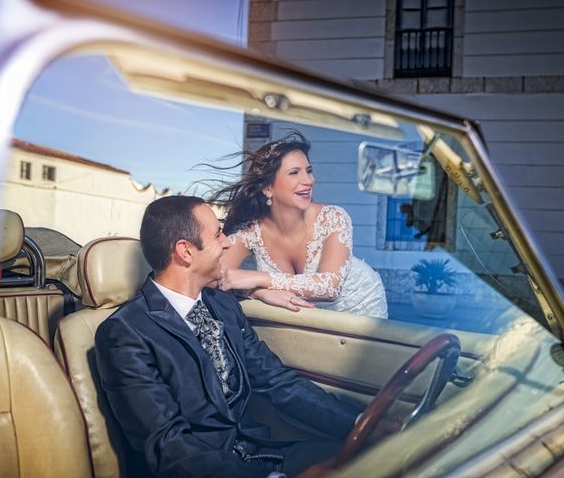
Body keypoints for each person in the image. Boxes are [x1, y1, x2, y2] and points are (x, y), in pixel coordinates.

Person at [94, 195, 364, 478]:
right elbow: (169, 446)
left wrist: (359, 424)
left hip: (261, 450)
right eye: (218, 234)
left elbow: (277, 381)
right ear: (185, 251)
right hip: (202, 470)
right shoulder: (125, 333)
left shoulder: (222, 305)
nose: (227, 242)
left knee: (371, 459)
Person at [209, 131, 388, 318]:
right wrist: (258, 292)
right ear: (268, 188)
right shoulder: (251, 232)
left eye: (309, 171)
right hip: (308, 318)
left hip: (361, 306)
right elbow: (214, 276)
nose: (308, 181)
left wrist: (258, 279)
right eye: (294, 173)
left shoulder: (333, 217)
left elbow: (329, 288)